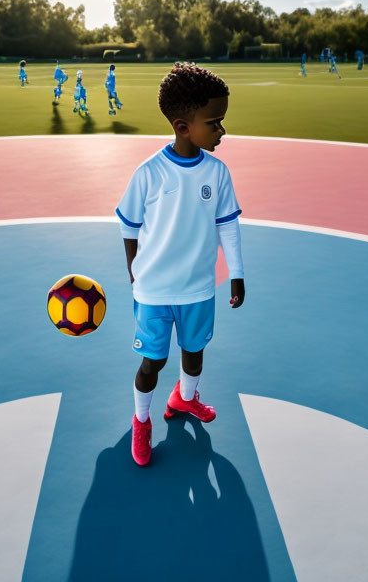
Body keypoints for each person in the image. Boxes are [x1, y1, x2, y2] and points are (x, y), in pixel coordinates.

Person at [115, 62, 245, 467]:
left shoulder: (218, 173)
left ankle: (184, 399)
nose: (222, 131)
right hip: (154, 291)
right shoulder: (149, 173)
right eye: (215, 122)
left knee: (194, 354)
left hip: (199, 288)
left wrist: (236, 274)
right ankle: (141, 420)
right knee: (152, 362)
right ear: (183, 126)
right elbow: (129, 225)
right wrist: (134, 269)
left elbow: (228, 226)